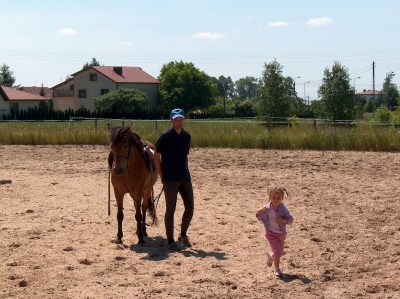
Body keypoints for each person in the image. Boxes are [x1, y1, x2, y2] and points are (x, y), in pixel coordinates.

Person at [154, 108, 194, 251]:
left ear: (184, 119)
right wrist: (161, 176)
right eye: (176, 119)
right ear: (171, 120)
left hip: (185, 178)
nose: (178, 122)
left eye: (181, 119)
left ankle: (183, 235)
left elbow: (183, 156)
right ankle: (170, 241)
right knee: (170, 209)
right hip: (170, 179)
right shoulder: (164, 136)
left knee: (190, 208)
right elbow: (156, 157)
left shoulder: (187, 137)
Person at [256, 187, 294, 277]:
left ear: (282, 198)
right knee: (277, 252)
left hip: (281, 234)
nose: (276, 199)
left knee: (279, 253)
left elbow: (291, 220)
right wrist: (258, 212)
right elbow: (259, 217)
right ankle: (277, 269)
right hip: (271, 233)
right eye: (274, 197)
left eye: (278, 197)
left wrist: (283, 220)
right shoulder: (267, 209)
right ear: (270, 198)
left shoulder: (284, 209)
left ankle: (271, 255)